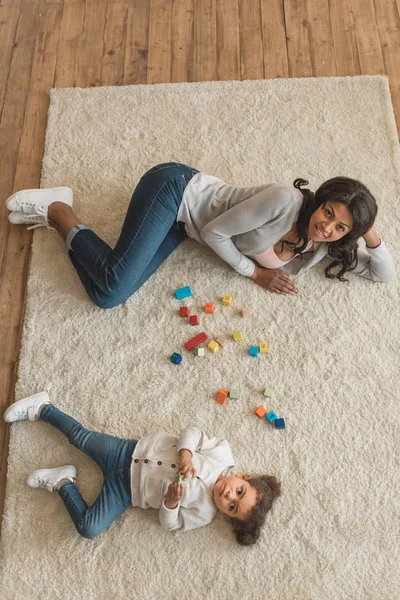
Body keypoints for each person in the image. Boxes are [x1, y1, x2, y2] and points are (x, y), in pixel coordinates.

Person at [6, 162, 394, 308]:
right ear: (321, 200)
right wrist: (255, 274)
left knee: (106, 294)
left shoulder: (321, 244)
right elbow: (216, 232)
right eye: (328, 212)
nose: (327, 226)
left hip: (185, 228)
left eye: (340, 226)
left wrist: (368, 233)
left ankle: (62, 215)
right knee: (111, 282)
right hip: (175, 192)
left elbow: (383, 274)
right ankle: (59, 210)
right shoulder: (285, 200)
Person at [4, 391, 281, 546]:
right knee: (80, 437)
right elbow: (192, 431)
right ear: (244, 477)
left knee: (89, 528)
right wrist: (186, 456)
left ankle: (63, 481)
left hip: (126, 492)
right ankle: (42, 407)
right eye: (239, 491)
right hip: (128, 452)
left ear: (227, 516)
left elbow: (169, 525)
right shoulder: (222, 453)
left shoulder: (205, 513)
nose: (228, 496)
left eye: (231, 506)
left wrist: (171, 504)